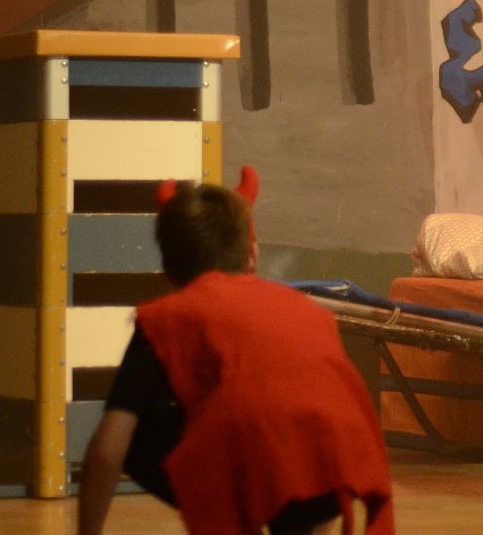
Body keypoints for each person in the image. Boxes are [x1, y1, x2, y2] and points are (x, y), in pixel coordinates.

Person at [77, 168, 393, 535]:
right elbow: (324, 411)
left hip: (257, 461)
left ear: (168, 269)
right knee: (295, 440)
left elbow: (108, 448)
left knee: (140, 433)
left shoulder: (167, 318)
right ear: (252, 255)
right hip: (334, 469)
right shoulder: (306, 310)